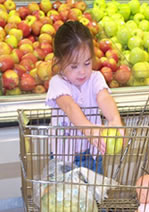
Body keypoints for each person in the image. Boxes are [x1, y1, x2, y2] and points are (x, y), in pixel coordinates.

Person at [46, 21, 123, 174]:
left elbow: (104, 98)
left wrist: (115, 119)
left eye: (87, 63)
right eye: (74, 66)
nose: (82, 72)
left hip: (92, 154)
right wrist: (90, 130)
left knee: (93, 194)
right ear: (59, 62)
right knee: (65, 196)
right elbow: (69, 107)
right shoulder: (57, 83)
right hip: (64, 157)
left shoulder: (96, 78)